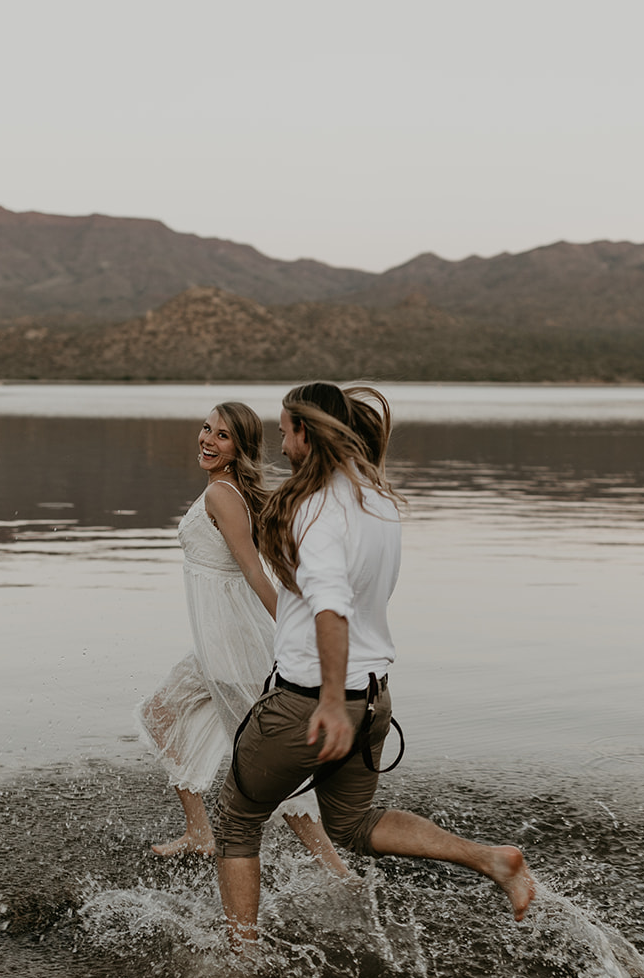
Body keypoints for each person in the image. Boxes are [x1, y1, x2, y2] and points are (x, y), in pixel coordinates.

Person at [213, 382, 536, 947]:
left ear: (305, 433)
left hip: (312, 702)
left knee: (237, 822)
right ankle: (492, 860)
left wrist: (331, 704)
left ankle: (240, 959)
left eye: (286, 431)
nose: (280, 443)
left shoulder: (316, 513)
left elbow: (332, 611)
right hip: (375, 698)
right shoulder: (376, 498)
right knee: (351, 825)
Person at [134, 401, 349, 876]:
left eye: (223, 436)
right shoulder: (223, 489)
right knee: (160, 714)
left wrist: (294, 630)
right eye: (206, 429)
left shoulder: (222, 496)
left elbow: (253, 570)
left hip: (232, 646)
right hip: (213, 644)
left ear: (240, 448)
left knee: (268, 765)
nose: (208, 440)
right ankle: (199, 832)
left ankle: (335, 869)